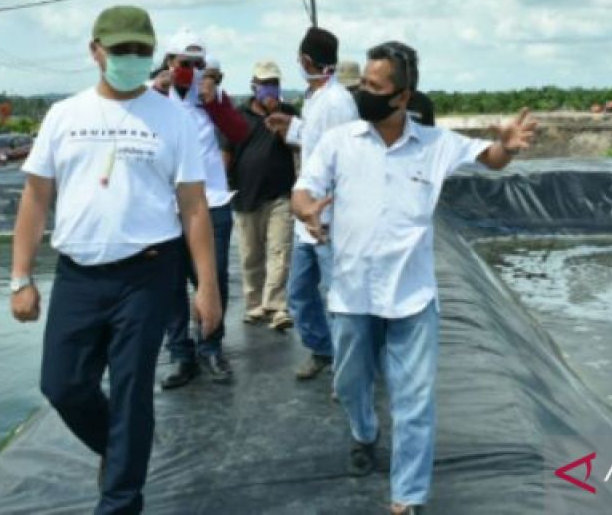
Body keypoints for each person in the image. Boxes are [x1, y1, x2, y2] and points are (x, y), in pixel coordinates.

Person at [293, 41, 538, 515]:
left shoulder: (434, 144)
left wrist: (506, 145)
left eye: (375, 86)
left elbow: (489, 157)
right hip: (351, 292)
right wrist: (308, 212)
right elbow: (305, 189)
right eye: (363, 83)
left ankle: (408, 497)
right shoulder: (339, 142)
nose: (363, 93)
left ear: (402, 97)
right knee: (349, 384)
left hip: (411, 297)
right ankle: (364, 431)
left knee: (415, 401)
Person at [9, 5, 221, 515]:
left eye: (140, 51)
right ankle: (118, 448)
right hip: (78, 275)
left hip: (147, 273)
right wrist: (20, 277)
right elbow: (36, 198)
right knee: (62, 384)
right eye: (120, 49)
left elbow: (193, 207)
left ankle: (120, 501)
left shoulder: (172, 118)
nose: (130, 59)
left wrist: (208, 287)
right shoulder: (65, 115)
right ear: (95, 50)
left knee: (131, 393)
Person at [265, 26, 358, 381]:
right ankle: (323, 349)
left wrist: (334, 215)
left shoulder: (336, 102)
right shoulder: (318, 98)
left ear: (305, 60)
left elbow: (343, 157)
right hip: (309, 217)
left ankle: (349, 369)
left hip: (328, 216)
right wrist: (290, 126)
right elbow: (316, 140)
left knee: (339, 298)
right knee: (301, 293)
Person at [161, 29, 250, 388]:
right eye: (185, 64)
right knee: (171, 283)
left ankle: (211, 346)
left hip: (211, 200)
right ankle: (182, 355)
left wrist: (214, 102)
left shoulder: (212, 95)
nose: (193, 71)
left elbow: (239, 132)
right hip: (166, 205)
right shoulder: (154, 96)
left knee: (211, 279)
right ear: (170, 63)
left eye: (199, 64)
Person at [229, 60, 298, 331]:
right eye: (265, 84)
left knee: (279, 251)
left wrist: (281, 126)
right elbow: (227, 152)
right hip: (246, 196)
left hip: (281, 195)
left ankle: (277, 306)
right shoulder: (238, 116)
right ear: (254, 86)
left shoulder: (289, 113)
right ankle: (254, 304)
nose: (270, 89)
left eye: (275, 84)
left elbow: (297, 144)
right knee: (250, 255)